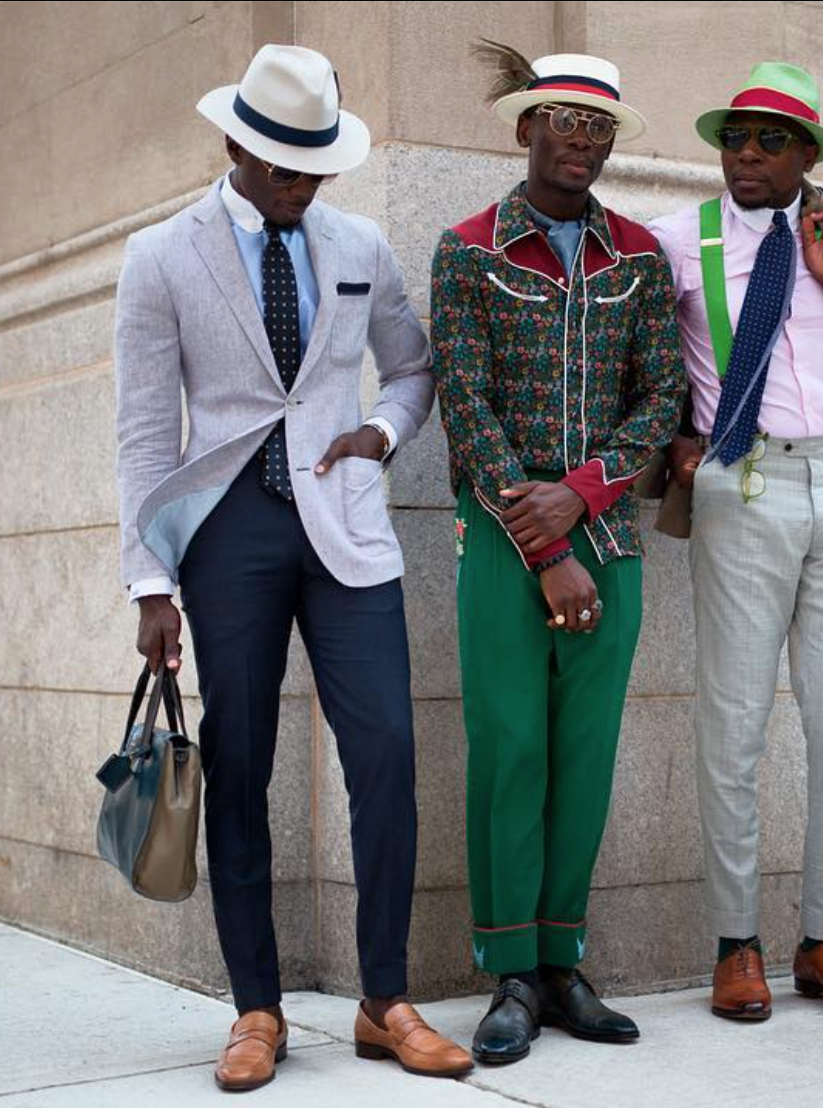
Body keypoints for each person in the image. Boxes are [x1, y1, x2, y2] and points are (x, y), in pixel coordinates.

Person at [113, 44, 471, 1091]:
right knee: (239, 761)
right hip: (227, 532)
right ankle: (255, 1007)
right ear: (233, 143)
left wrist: (382, 431)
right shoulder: (159, 255)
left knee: (389, 752)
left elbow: (410, 365)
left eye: (313, 166)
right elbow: (143, 433)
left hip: (346, 529)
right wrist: (149, 582)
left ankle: (384, 999)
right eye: (280, 166)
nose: (299, 184)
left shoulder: (358, 241)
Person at [647, 61, 823, 1022]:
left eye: (768, 141)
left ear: (807, 155)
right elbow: (642, 352)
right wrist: (677, 435)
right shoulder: (683, 240)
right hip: (744, 480)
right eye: (733, 138)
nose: (746, 155)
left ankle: (821, 940)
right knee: (735, 724)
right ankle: (736, 945)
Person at [430, 44, 684, 1065]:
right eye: (563, 121)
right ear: (523, 126)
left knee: (582, 757)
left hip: (610, 537)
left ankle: (564, 958)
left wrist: (581, 496)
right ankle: (508, 975)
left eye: (599, 126)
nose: (581, 140)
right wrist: (540, 537)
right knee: (508, 751)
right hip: (500, 539)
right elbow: (465, 403)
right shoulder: (466, 251)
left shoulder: (636, 257)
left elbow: (660, 397)